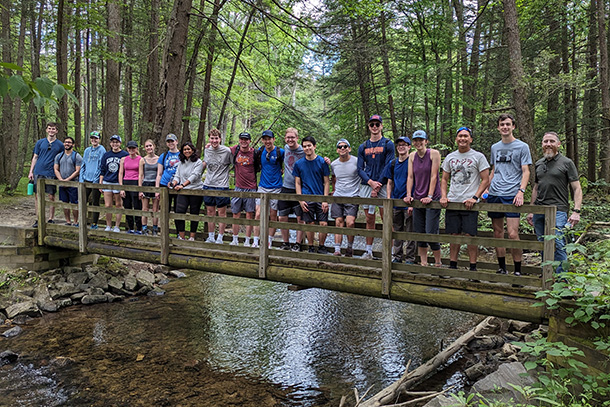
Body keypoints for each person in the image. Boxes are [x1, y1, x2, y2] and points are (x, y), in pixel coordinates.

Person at [526, 132, 582, 273]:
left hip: (559, 210)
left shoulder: (567, 163)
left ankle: (561, 280)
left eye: (552, 141)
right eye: (545, 141)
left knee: (558, 243)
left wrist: (576, 211)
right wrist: (531, 210)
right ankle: (547, 275)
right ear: (542, 145)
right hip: (540, 210)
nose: (548, 144)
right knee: (542, 243)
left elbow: (577, 188)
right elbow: (536, 188)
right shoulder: (539, 164)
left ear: (558, 144)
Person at [487, 114, 532, 276]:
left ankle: (518, 270)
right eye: (502, 124)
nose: (505, 127)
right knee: (497, 232)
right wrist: (486, 188)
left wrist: (521, 191)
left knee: (513, 234)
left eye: (507, 124)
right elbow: (494, 170)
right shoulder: (495, 147)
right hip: (495, 193)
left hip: (512, 194)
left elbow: (526, 171)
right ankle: (502, 268)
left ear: (513, 126)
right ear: (498, 128)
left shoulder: (522, 146)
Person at [440, 127, 490, 271]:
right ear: (456, 139)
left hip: (470, 203)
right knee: (454, 235)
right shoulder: (450, 157)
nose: (463, 138)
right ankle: (453, 265)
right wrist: (444, 196)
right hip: (453, 201)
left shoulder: (478, 156)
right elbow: (444, 179)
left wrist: (475, 197)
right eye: (460, 136)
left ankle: (473, 267)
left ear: (471, 139)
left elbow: (485, 179)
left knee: (470, 235)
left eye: (466, 136)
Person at [357, 114, 395, 259]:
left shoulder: (388, 144)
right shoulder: (363, 146)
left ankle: (391, 252)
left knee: (386, 218)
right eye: (372, 124)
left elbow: (388, 165)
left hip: (384, 184)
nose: (374, 127)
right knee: (369, 219)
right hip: (367, 184)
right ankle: (368, 251)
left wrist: (377, 185)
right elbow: (360, 168)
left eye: (377, 124)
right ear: (369, 126)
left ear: (381, 126)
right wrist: (371, 183)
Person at [404, 130, 442, 267]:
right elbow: (410, 177)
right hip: (418, 198)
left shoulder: (434, 154)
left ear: (426, 141)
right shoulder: (412, 156)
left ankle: (438, 263)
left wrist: (430, 196)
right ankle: (423, 264)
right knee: (419, 233)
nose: (418, 143)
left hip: (433, 198)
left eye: (421, 140)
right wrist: (409, 195)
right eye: (415, 140)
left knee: (431, 232)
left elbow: (434, 176)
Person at [382, 136, 416, 264]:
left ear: (409, 147)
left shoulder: (413, 162)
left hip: (409, 202)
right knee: (397, 230)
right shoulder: (393, 163)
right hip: (396, 203)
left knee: (410, 232)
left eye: (404, 144)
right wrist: (389, 200)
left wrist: (414, 201)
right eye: (399, 145)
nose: (401, 147)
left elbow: (417, 182)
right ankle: (397, 256)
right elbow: (389, 182)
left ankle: (410, 258)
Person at [293, 136, 330, 254]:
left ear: (314, 146)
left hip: (320, 197)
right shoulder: (299, 164)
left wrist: (325, 199)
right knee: (310, 223)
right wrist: (300, 200)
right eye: (304, 146)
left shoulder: (322, 162)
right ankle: (310, 246)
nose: (307, 148)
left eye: (309, 145)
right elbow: (297, 183)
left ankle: (322, 246)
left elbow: (327, 181)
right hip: (306, 197)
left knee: (323, 223)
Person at [252, 130, 284, 248]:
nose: (267, 141)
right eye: (265, 139)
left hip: (276, 187)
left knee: (273, 215)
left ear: (273, 139)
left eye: (269, 139)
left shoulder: (280, 152)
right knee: (258, 214)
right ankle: (256, 240)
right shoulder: (260, 152)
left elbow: (293, 157)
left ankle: (269, 241)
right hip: (262, 186)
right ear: (262, 140)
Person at [29, 122, 64, 227]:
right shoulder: (40, 143)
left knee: (51, 196)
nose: (51, 131)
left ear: (56, 131)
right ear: (46, 130)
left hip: (51, 173)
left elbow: (62, 159)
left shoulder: (60, 145)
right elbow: (35, 157)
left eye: (53, 129)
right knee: (37, 196)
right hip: (38, 172)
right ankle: (38, 218)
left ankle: (51, 218)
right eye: (49, 128)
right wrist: (31, 171)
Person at [330, 138, 361, 257]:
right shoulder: (334, 164)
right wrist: (333, 190)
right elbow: (334, 178)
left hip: (353, 196)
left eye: (345, 146)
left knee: (350, 222)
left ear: (349, 148)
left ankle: (349, 247)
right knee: (338, 222)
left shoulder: (356, 161)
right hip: (338, 196)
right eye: (340, 147)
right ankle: (337, 249)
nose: (342, 148)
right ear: (337, 150)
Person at [202, 128, 233, 244]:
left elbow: (234, 163)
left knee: (222, 213)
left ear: (220, 139)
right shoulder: (207, 150)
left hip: (222, 185)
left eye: (216, 138)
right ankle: (211, 236)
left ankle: (220, 237)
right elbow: (204, 164)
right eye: (212, 138)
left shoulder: (227, 151)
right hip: (208, 184)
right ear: (209, 139)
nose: (214, 141)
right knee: (210, 212)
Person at [278, 128, 305, 251]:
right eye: (288, 137)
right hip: (286, 187)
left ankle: (298, 243)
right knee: (282, 217)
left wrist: (326, 160)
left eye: (292, 137)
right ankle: (286, 243)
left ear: (297, 138)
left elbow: (314, 158)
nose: (290, 139)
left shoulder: (303, 150)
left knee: (301, 218)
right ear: (285, 138)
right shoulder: (285, 148)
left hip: (300, 189)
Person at [169, 142, 204, 240]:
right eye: (185, 149)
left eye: (188, 149)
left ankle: (192, 237)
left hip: (195, 190)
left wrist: (182, 185)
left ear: (192, 150)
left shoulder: (198, 162)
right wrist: (174, 183)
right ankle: (181, 236)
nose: (187, 151)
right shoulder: (181, 163)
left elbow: (195, 175)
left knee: (194, 213)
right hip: (183, 191)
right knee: (179, 212)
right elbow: (177, 175)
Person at [230, 132, 257, 246]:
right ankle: (235, 239)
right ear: (239, 140)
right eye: (242, 139)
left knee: (249, 215)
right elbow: (221, 148)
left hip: (251, 188)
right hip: (238, 187)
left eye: (246, 139)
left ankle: (247, 240)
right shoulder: (235, 150)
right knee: (235, 213)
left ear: (250, 141)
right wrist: (208, 146)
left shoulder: (254, 153)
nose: (244, 141)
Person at [99, 135, 128, 232]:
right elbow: (102, 170)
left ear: (120, 143)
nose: (115, 144)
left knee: (119, 204)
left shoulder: (124, 154)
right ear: (110, 143)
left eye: (117, 142)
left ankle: (117, 226)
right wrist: (101, 183)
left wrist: (122, 184)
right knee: (108, 205)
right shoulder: (106, 155)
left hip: (118, 182)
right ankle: (108, 225)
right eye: (113, 142)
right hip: (107, 181)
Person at [79, 131, 106, 229]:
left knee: (95, 201)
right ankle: (81, 221)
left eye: (96, 138)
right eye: (92, 138)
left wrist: (96, 179)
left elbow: (101, 165)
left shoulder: (102, 150)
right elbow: (83, 164)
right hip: (86, 179)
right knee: (82, 201)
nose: (94, 140)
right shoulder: (87, 150)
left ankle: (94, 222)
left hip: (95, 180)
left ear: (99, 139)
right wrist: (81, 178)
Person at [53, 136, 83, 226]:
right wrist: (61, 180)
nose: (67, 144)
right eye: (66, 142)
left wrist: (68, 180)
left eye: (69, 142)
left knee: (74, 203)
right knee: (65, 202)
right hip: (62, 183)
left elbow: (78, 170)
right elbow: (56, 169)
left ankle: (76, 221)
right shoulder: (59, 156)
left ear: (73, 144)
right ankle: (68, 221)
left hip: (73, 183)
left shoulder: (76, 156)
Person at [119, 140, 143, 234]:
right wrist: (121, 188)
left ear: (136, 149)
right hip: (126, 182)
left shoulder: (140, 159)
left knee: (137, 206)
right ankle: (130, 227)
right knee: (127, 205)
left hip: (136, 182)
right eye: (130, 148)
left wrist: (140, 189)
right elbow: (121, 173)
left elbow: (141, 175)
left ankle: (139, 228)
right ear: (127, 149)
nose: (131, 150)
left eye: (133, 148)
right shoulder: (123, 159)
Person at [139, 139, 160, 236]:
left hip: (155, 184)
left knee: (155, 209)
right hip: (146, 184)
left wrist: (158, 188)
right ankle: (144, 228)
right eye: (147, 146)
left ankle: (155, 229)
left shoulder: (159, 159)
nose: (149, 148)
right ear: (144, 148)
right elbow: (141, 175)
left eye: (150, 145)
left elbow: (159, 174)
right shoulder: (142, 160)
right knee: (145, 208)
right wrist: (140, 189)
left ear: (154, 146)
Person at [156, 133, 181, 212]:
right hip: (164, 184)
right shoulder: (163, 156)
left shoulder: (182, 155)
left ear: (176, 141)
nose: (170, 143)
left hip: (178, 184)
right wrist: (157, 189)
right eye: (168, 142)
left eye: (172, 141)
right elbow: (159, 173)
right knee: (165, 209)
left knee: (178, 210)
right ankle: (165, 224)